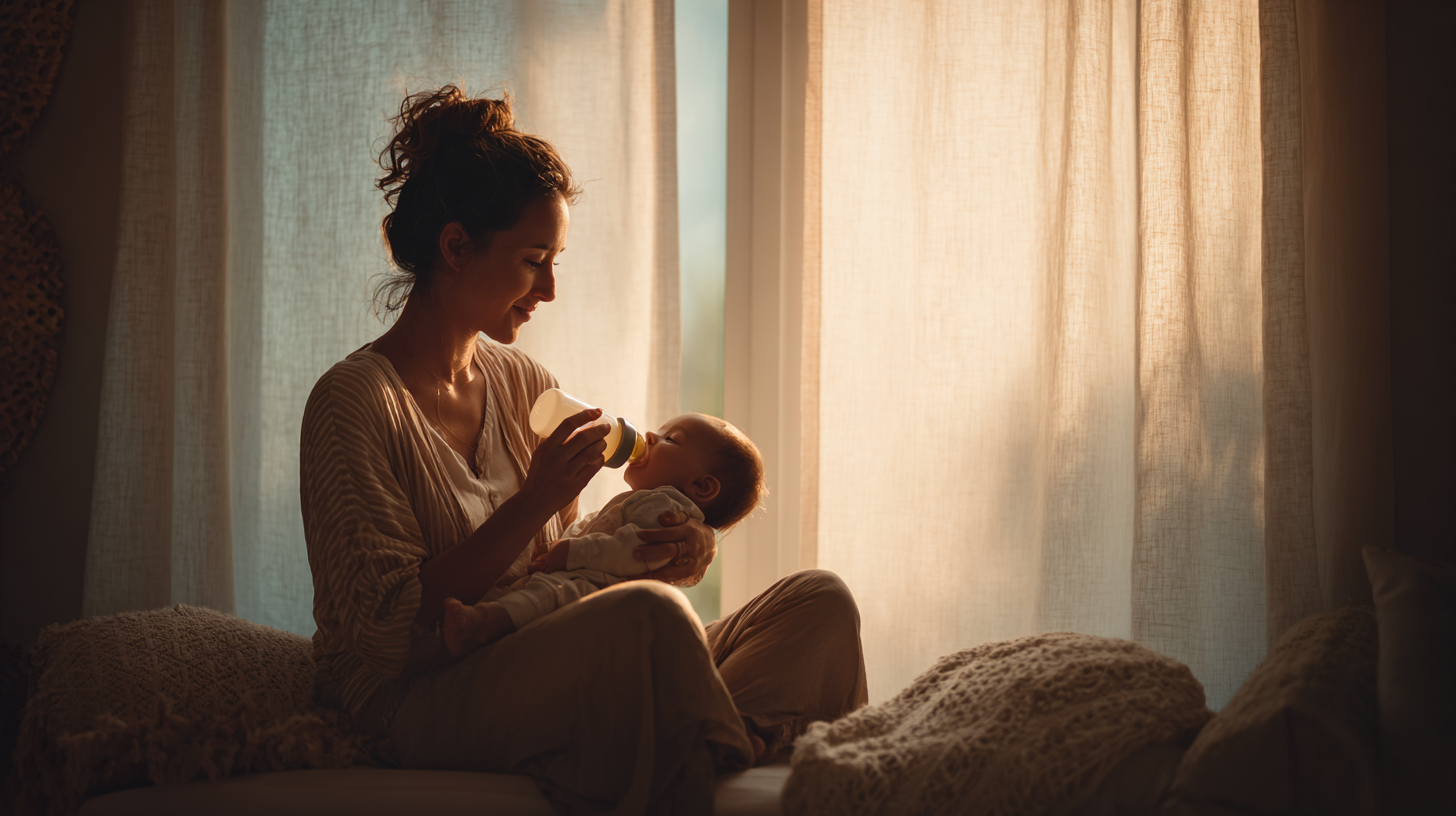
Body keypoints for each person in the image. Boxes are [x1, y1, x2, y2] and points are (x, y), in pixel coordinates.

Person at [300, 85, 867, 814]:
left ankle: (721, 739)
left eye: (555, 261)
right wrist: (535, 500)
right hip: (420, 693)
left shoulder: (524, 381)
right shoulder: (352, 404)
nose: (551, 289)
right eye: (536, 260)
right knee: (648, 619)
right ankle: (703, 734)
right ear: (454, 246)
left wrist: (661, 546)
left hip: (535, 649)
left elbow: (557, 566)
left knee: (819, 601)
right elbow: (385, 634)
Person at [442, 413, 765, 656]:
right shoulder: (643, 502)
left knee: (553, 594)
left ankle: (481, 624)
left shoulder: (665, 507)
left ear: (702, 486)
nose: (651, 435)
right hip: (591, 602)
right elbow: (592, 530)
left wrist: (571, 553)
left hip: (600, 596)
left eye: (672, 439)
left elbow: (634, 551)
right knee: (542, 592)